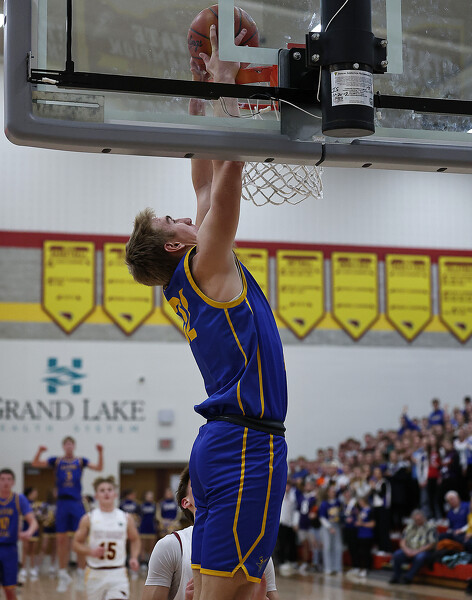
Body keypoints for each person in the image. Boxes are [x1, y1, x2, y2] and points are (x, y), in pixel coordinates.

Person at [125, 25, 287, 600]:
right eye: (173, 221)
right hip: (244, 447)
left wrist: (202, 92)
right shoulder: (206, 262)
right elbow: (228, 173)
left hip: (230, 443)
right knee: (233, 595)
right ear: (176, 244)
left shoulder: (193, 276)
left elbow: (203, 178)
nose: (184, 215)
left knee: (234, 594)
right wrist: (227, 84)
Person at [144, 467, 279, 600]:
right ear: (186, 502)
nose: (212, 485)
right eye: (199, 482)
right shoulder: (171, 545)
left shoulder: (254, 546)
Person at [32, 436, 104, 592]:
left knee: (80, 539)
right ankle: (63, 574)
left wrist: (100, 452)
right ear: (63, 446)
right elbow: (35, 463)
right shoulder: (57, 461)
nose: (69, 446)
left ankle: (81, 574)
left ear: (74, 446)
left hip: (76, 502)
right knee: (61, 540)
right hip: (62, 503)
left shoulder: (80, 461)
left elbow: (99, 468)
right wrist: (39, 451)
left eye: (71, 444)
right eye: (67, 444)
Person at [72, 476, 140, 600]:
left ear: (115, 494)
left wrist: (134, 557)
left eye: (109, 489)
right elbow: (76, 544)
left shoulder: (125, 517)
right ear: (96, 496)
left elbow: (135, 539)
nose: (106, 493)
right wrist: (90, 551)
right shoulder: (88, 518)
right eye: (102, 490)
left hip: (118, 572)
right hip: (95, 573)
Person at [0, 468, 38, 600]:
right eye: (2, 479)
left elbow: (33, 522)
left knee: (10, 590)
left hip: (10, 549)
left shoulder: (19, 499)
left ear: (13, 482)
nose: (5, 482)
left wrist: (28, 532)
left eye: (9, 479)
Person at [389, 509, 437, 585]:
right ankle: (396, 576)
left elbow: (432, 544)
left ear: (424, 518)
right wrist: (406, 550)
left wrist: (416, 551)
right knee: (397, 555)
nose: (417, 521)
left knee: (420, 557)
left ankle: (408, 577)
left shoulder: (430, 527)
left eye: (419, 520)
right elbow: (402, 541)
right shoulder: (409, 527)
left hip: (423, 551)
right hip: (409, 549)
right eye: (415, 520)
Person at [18, 487, 42, 583]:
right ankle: (23, 569)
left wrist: (39, 515)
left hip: (34, 529)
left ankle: (32, 568)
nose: (36, 494)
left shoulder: (37, 504)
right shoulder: (24, 502)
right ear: (30, 493)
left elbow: (39, 516)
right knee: (25, 549)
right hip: (26, 527)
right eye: (34, 492)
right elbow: (22, 515)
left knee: (33, 550)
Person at [319, 485, 343, 576]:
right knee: (327, 547)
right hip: (327, 527)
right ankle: (328, 568)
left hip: (336, 525)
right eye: (331, 491)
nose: (333, 493)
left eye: (334, 491)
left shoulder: (338, 502)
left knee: (338, 547)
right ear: (328, 493)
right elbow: (322, 517)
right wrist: (329, 527)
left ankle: (337, 568)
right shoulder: (324, 503)